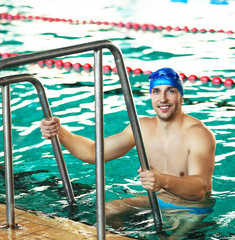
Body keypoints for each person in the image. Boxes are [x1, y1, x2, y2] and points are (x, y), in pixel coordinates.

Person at [40, 67, 216, 237]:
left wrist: (163, 180)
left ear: (181, 96)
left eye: (170, 91)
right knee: (107, 210)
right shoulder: (143, 127)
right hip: (158, 200)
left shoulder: (198, 134)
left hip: (192, 208)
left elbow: (199, 189)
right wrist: (59, 131)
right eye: (156, 91)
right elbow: (93, 152)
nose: (163, 98)